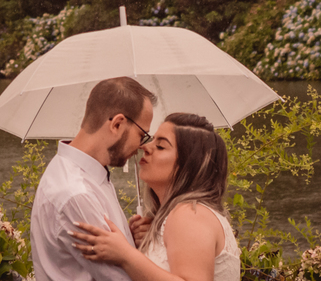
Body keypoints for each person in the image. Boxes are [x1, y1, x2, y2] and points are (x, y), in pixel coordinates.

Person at [69, 113, 239, 281]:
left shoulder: (189, 214)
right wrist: (146, 242)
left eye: (160, 146)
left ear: (188, 165)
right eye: (152, 140)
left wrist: (126, 254)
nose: (145, 147)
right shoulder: (183, 216)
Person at [30, 76, 156, 281]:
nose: (142, 147)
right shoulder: (77, 194)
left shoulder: (83, 173)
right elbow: (121, 278)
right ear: (117, 124)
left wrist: (128, 241)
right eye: (142, 135)